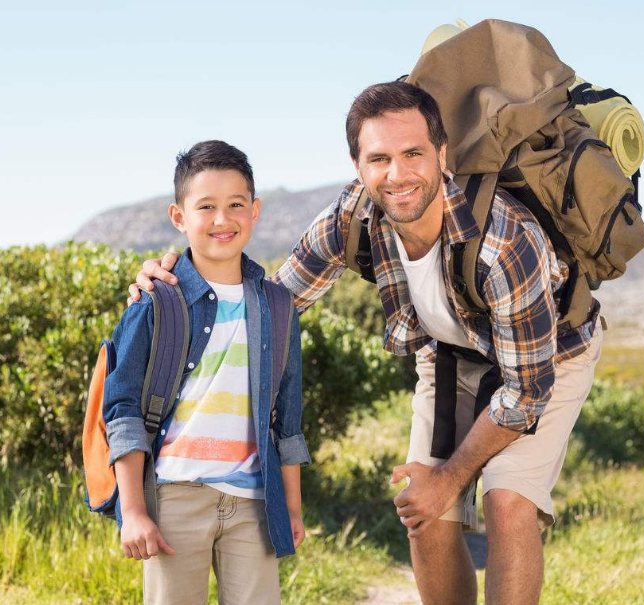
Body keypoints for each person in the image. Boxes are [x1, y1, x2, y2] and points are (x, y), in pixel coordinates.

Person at [129, 82, 602, 605]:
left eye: (413, 154)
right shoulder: (351, 217)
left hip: (547, 362)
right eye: (379, 158)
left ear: (442, 155)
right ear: (358, 166)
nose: (396, 174)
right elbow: (271, 307)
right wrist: (175, 286)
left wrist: (448, 477)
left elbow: (526, 393)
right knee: (422, 511)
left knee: (507, 501)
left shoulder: (504, 240)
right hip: (448, 355)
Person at [105, 140, 310, 605]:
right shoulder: (157, 299)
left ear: (255, 211)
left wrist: (291, 508)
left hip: (254, 504)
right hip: (175, 498)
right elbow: (123, 408)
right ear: (179, 217)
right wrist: (134, 510)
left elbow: (288, 417)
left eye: (236, 204)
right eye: (207, 207)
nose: (223, 219)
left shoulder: (278, 306)